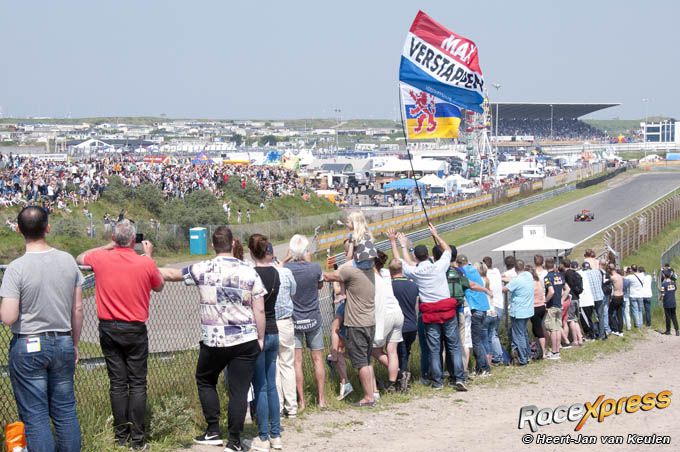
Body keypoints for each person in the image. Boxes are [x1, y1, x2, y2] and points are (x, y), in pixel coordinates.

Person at [159, 227, 265, 452]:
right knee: (239, 390)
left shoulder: (202, 268)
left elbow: (171, 274)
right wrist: (260, 337)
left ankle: (213, 429)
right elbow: (260, 309)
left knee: (205, 379)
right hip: (244, 337)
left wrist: (147, 264)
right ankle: (234, 441)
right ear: (233, 244)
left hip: (214, 338)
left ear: (213, 245)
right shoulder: (248, 271)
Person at [0, 206, 84, 452]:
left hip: (28, 343)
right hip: (63, 341)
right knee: (65, 410)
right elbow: (77, 309)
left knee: (36, 415)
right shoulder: (68, 260)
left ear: (18, 229)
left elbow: (9, 316)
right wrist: (74, 344)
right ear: (47, 227)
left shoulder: (16, 268)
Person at [76, 219, 164, 449]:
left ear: (114, 239)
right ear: (134, 240)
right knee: (136, 384)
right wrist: (149, 256)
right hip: (134, 328)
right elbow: (159, 285)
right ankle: (138, 439)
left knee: (117, 383)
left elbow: (80, 257)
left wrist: (109, 246)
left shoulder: (101, 258)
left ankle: (120, 436)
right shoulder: (144, 263)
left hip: (108, 327)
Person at [390, 224, 467, 391]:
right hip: (447, 311)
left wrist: (396, 243)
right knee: (454, 345)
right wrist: (436, 235)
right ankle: (459, 377)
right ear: (429, 256)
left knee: (434, 348)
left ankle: (437, 381)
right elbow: (447, 250)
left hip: (430, 313)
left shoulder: (416, 272)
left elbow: (399, 262)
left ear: (416, 258)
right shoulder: (439, 266)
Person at [324, 248, 377, 406]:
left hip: (356, 323)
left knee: (361, 363)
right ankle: (373, 392)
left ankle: (368, 397)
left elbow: (328, 276)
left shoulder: (352, 273)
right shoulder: (371, 272)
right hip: (370, 321)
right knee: (367, 361)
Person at [283, 234, 326, 410]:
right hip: (313, 318)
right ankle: (321, 399)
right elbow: (320, 285)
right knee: (317, 359)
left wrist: (286, 258)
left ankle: (301, 401)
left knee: (297, 362)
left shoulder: (287, 269)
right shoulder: (315, 267)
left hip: (295, 319)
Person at [247, 236, 282, 452]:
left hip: (258, 332)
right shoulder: (276, 273)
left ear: (251, 252)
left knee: (259, 385)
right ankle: (276, 434)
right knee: (271, 384)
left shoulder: (252, 274)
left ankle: (263, 435)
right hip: (274, 330)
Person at [371, 251, 405, 393]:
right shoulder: (386, 272)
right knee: (392, 351)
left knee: (374, 350)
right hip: (397, 311)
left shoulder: (371, 276)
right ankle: (393, 382)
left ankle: (400, 373)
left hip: (384, 314)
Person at [274, 254, 298, 419]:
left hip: (269, 322)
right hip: (285, 321)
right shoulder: (286, 272)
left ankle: (279, 406)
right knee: (287, 364)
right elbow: (293, 291)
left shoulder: (259, 273)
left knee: (274, 366)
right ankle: (292, 406)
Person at [458, 255, 491, 376]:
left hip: (475, 308)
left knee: (476, 341)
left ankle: (483, 368)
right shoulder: (473, 268)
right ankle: (481, 367)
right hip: (483, 308)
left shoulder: (463, 271)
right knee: (479, 340)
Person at [390, 258, 418, 390]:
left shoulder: (390, 287)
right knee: (405, 352)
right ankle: (402, 378)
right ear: (401, 269)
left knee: (400, 354)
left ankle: (402, 379)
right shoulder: (413, 285)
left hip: (399, 326)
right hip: (412, 324)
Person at [503, 260, 534, 365]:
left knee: (518, 335)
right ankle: (528, 354)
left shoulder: (516, 281)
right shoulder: (528, 275)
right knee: (524, 333)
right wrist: (504, 278)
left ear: (515, 269)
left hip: (519, 312)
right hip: (528, 310)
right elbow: (514, 280)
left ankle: (523, 358)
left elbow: (505, 289)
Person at [543, 258, 570, 360]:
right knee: (558, 328)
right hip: (559, 305)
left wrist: (545, 301)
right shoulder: (559, 276)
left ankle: (554, 352)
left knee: (552, 329)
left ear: (546, 266)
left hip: (552, 306)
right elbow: (567, 289)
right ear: (554, 266)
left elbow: (551, 291)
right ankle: (557, 351)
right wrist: (562, 299)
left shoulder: (547, 278)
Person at [483, 256, 505, 364]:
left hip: (493, 305)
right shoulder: (496, 271)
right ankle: (494, 355)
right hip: (500, 305)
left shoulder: (486, 276)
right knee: (492, 333)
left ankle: (498, 356)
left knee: (492, 334)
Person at [526, 265, 547, 359]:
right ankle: (538, 348)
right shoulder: (538, 281)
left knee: (538, 330)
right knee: (537, 329)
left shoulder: (530, 283)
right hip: (542, 305)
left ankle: (543, 351)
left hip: (535, 307)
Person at [577, 261, 596, 340]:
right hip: (589, 300)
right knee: (588, 318)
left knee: (586, 320)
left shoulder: (581, 274)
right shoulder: (590, 274)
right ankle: (590, 333)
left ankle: (591, 335)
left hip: (585, 301)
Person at [660, 270, 679, 336]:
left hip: (667, 303)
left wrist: (661, 299)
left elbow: (662, 294)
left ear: (664, 276)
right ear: (670, 275)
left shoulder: (663, 284)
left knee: (668, 317)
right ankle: (677, 331)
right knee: (674, 316)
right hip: (673, 302)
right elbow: (675, 289)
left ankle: (668, 331)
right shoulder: (673, 283)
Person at [608, 263, 625, 337]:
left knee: (610, 313)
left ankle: (615, 329)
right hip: (621, 296)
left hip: (616, 296)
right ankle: (621, 330)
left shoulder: (612, 277)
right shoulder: (620, 276)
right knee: (619, 314)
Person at [626, 264, 644, 329]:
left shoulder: (630, 277)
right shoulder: (642, 275)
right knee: (640, 310)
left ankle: (637, 324)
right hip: (640, 295)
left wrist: (627, 272)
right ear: (637, 269)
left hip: (633, 295)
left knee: (635, 310)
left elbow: (624, 278)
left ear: (631, 269)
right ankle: (640, 323)